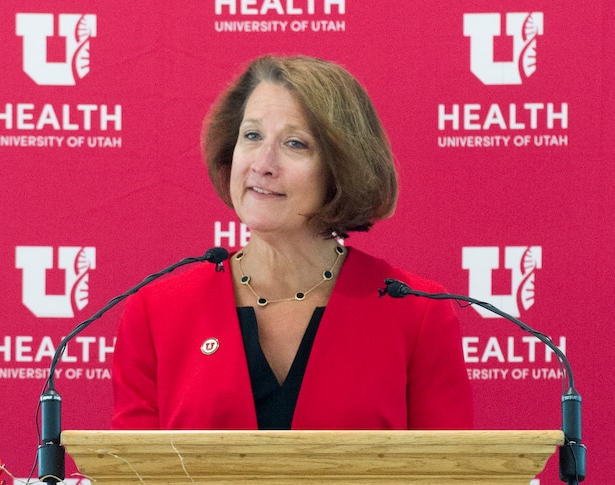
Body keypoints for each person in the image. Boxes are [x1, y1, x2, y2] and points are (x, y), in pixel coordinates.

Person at [112, 55, 473, 430]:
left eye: (295, 144)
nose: (263, 164)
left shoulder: (416, 314)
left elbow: (447, 466)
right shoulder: (155, 313)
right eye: (252, 136)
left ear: (342, 168)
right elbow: (129, 467)